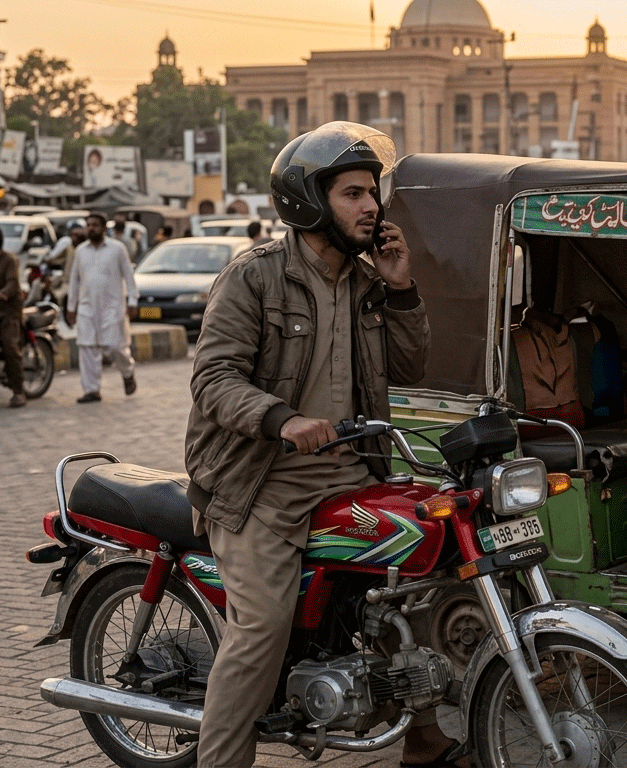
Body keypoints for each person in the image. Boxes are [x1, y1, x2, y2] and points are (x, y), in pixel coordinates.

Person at [184, 121, 454, 768]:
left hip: (350, 475)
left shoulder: (367, 282)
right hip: (261, 483)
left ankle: (423, 741)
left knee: (401, 595)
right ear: (308, 200)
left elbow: (410, 369)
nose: (371, 207)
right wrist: (280, 419)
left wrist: (401, 289)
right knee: (261, 630)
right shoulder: (254, 277)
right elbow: (212, 378)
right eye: (353, 194)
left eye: (373, 194)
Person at [67, 213, 137, 403]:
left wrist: (132, 301)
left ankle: (128, 372)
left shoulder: (117, 249)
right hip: (87, 307)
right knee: (87, 347)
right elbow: (74, 280)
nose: (91, 228)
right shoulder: (80, 251)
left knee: (115, 346)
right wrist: (71, 306)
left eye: (95, 225)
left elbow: (129, 277)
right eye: (88, 225)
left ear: (104, 228)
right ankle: (92, 390)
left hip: (112, 307)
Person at [0, 225, 27, 407]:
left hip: (8, 312)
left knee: (9, 345)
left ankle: (19, 391)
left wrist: (0, 294)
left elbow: (12, 284)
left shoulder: (9, 260)